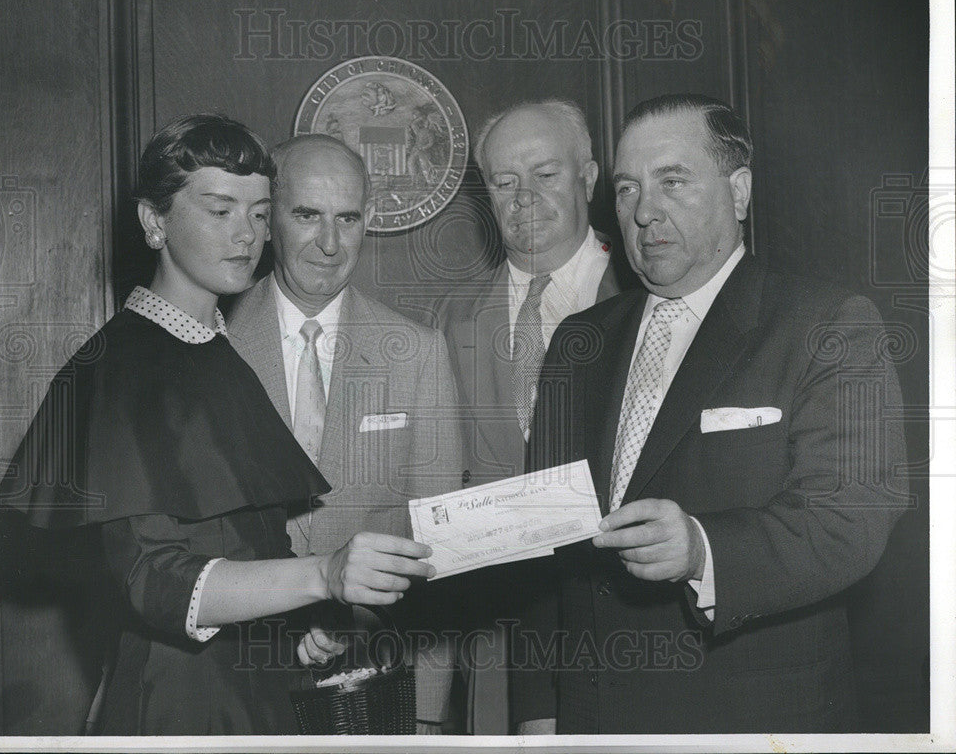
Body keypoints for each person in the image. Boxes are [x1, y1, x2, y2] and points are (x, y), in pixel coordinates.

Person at [0, 114, 436, 736]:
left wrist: (296, 625)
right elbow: (149, 578)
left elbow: (246, 544)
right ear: (154, 221)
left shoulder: (211, 347)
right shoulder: (118, 365)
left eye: (258, 214)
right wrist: (321, 575)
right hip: (177, 705)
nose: (247, 236)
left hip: (255, 696)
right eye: (220, 210)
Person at [512, 94, 909, 733]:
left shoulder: (825, 324)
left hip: (749, 719)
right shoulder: (578, 343)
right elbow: (540, 544)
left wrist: (703, 549)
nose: (644, 212)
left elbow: (851, 518)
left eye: (673, 181)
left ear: (740, 192)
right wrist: (536, 710)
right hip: (591, 721)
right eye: (627, 188)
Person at [226, 133, 463, 734]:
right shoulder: (211, 344)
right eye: (307, 215)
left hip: (369, 692)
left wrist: (428, 714)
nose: (330, 244)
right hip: (231, 684)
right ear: (269, 217)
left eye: (348, 219)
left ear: (368, 221)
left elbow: (441, 552)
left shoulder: (416, 352)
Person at [433, 99, 624, 733]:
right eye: (503, 181)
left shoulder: (648, 298)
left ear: (589, 179)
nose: (523, 198)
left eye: (545, 174)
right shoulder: (450, 319)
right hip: (498, 640)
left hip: (629, 627)